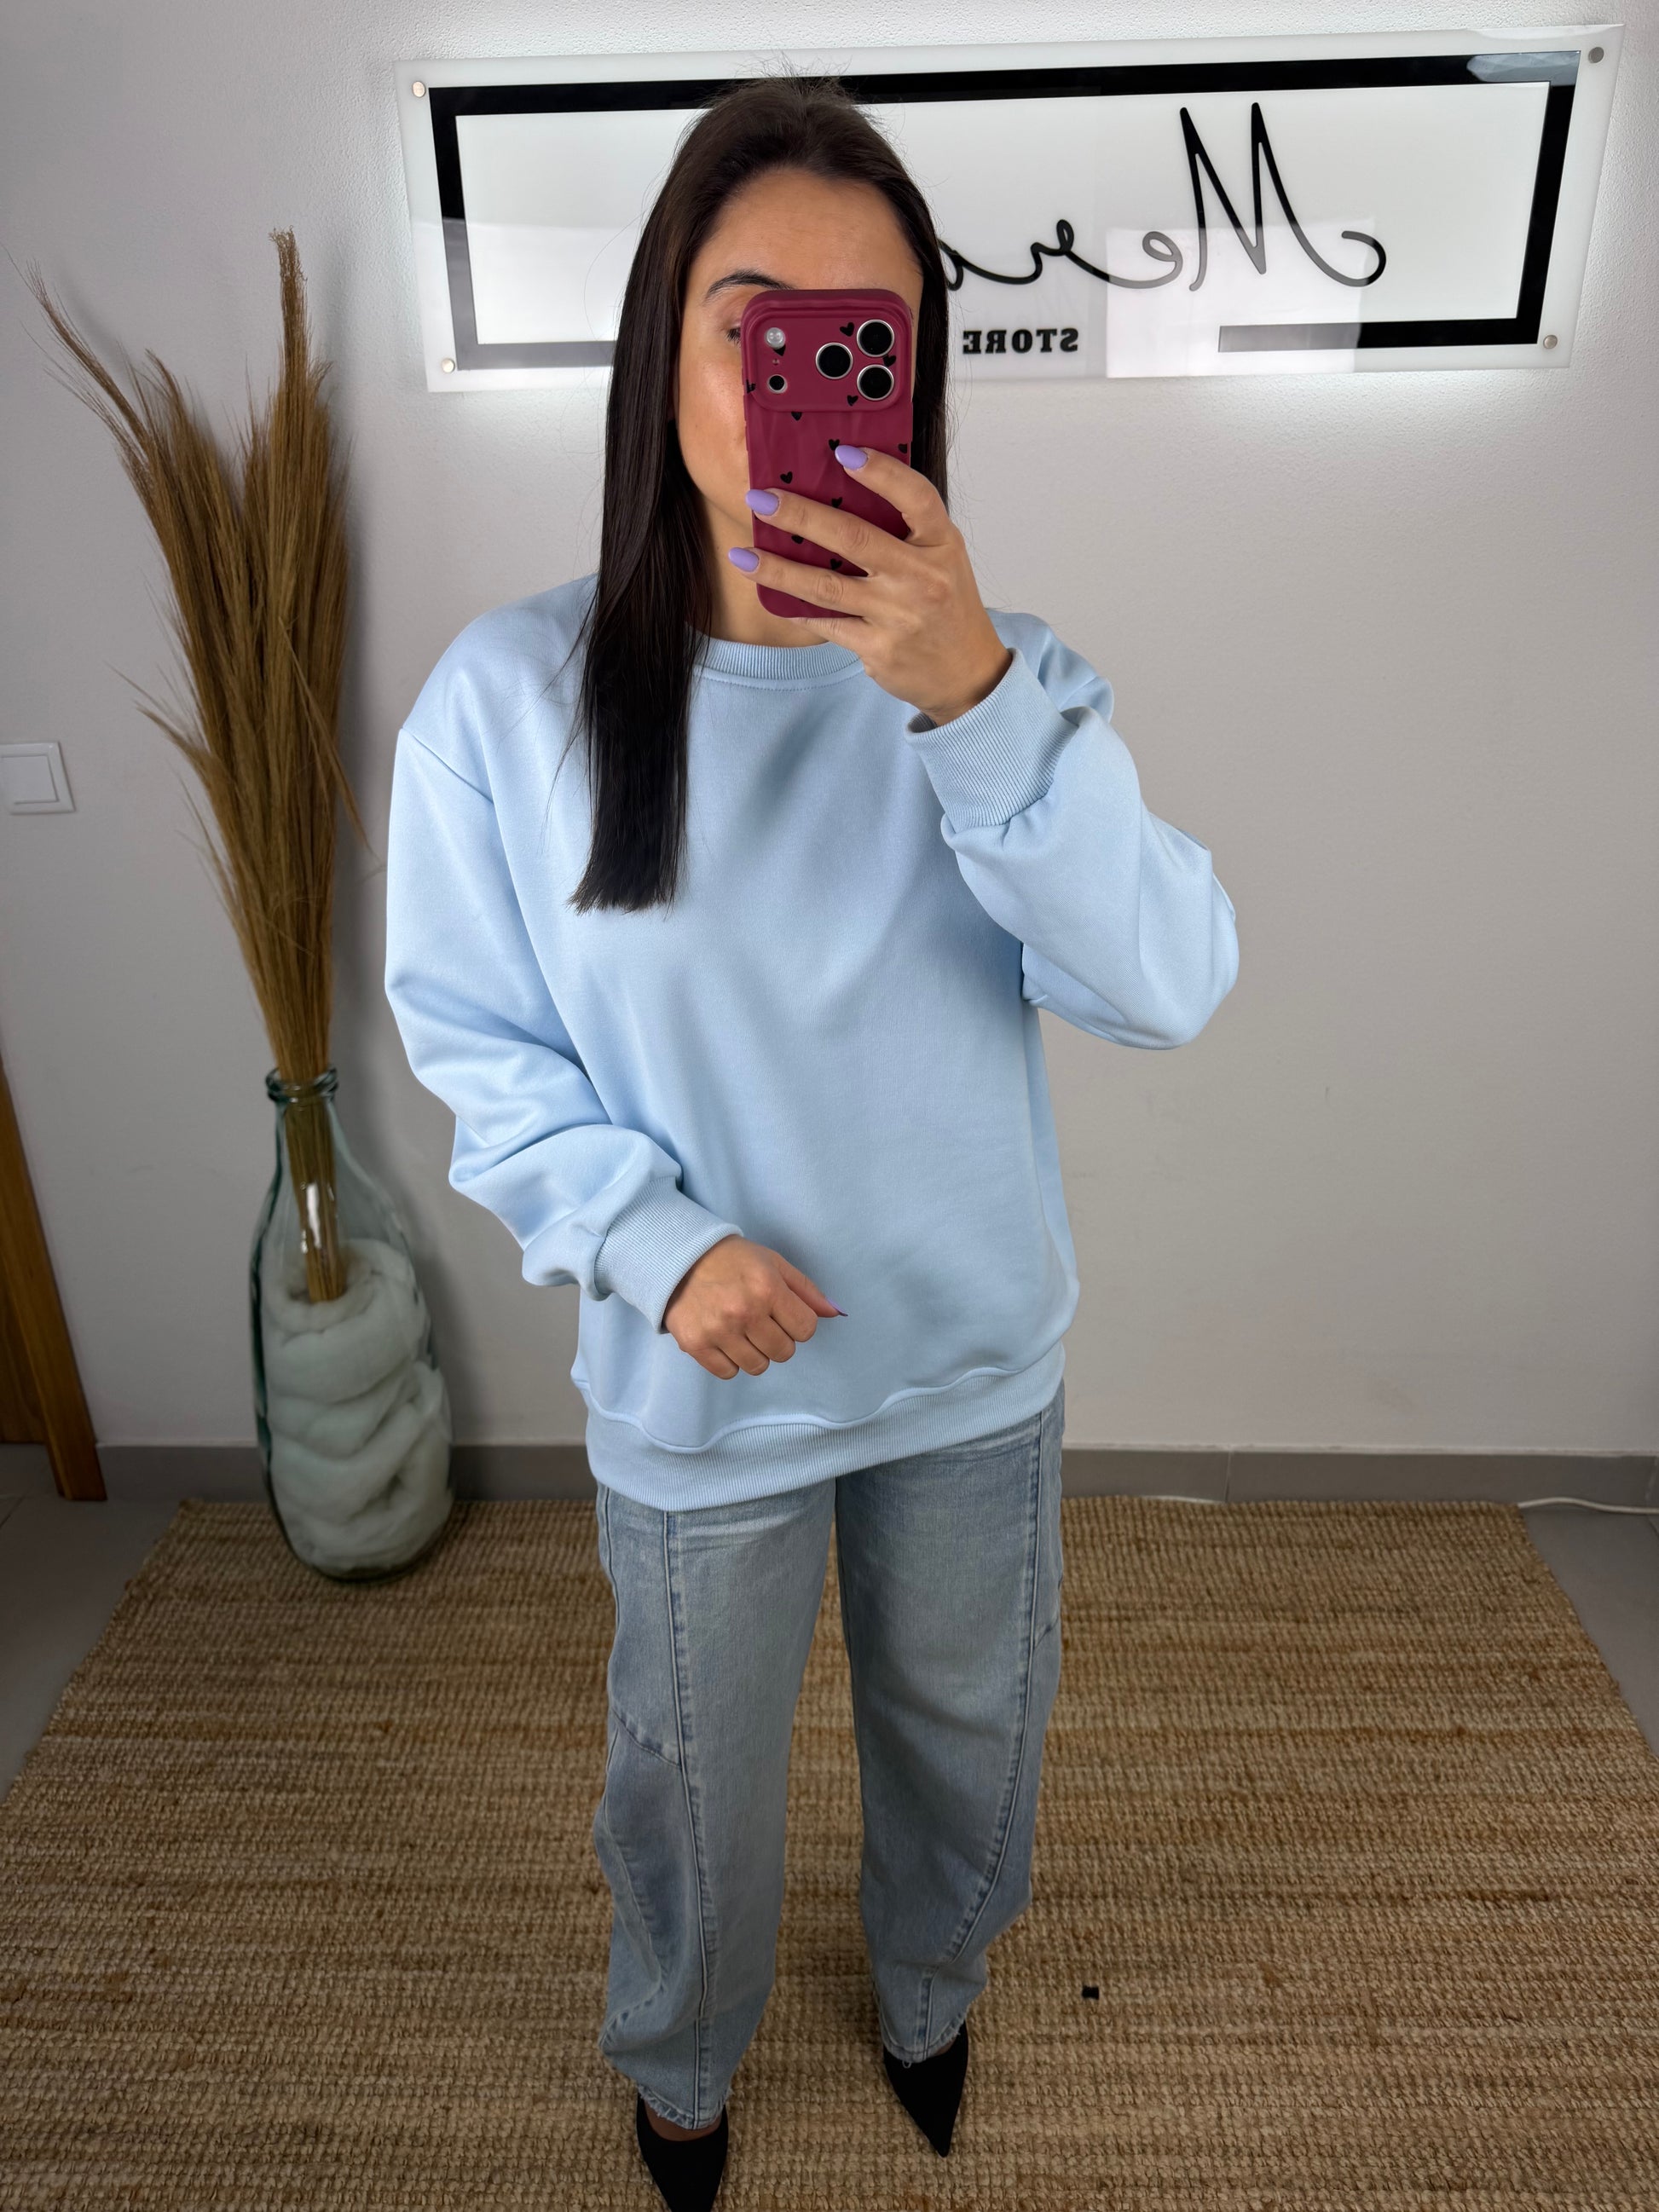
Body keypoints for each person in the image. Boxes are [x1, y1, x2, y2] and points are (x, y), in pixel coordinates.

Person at [384, 72, 1239, 2212]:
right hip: (699, 1378)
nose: (806, 375)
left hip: (966, 1352)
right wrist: (652, 1240)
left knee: (968, 1728)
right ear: (663, 346)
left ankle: (932, 1995)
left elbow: (1168, 981)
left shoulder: (1004, 681)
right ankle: (681, 2060)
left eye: (864, 337)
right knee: (688, 1778)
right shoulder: (509, 698)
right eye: (752, 321)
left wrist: (971, 700)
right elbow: (476, 1037)